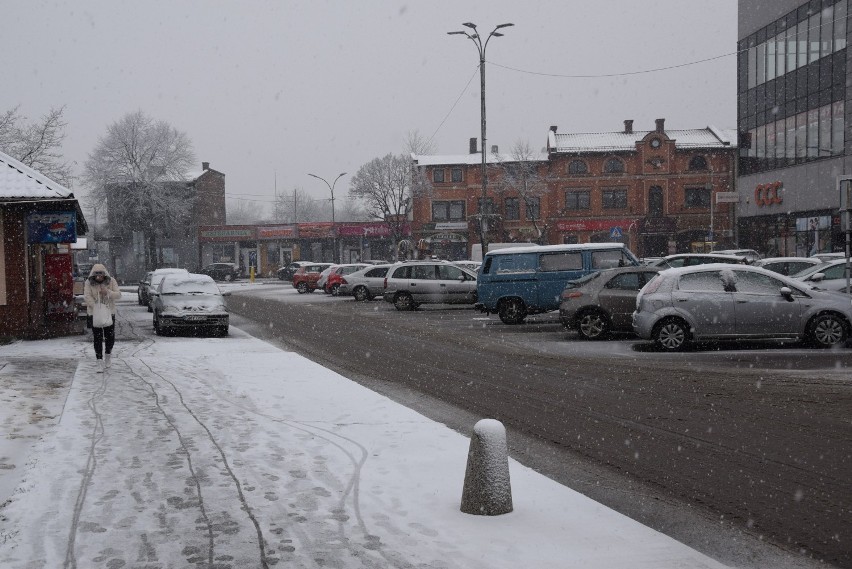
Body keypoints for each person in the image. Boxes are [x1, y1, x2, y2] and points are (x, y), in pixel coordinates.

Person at [84, 263, 121, 372]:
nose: (99, 277)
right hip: (94, 313)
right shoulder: (88, 283)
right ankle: (99, 361)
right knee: (97, 338)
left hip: (109, 312)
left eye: (101, 275)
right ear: (93, 275)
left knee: (110, 337)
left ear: (104, 275)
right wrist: (96, 306)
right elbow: (87, 296)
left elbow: (119, 294)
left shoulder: (111, 281)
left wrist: (108, 292)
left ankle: (108, 354)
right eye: (96, 275)